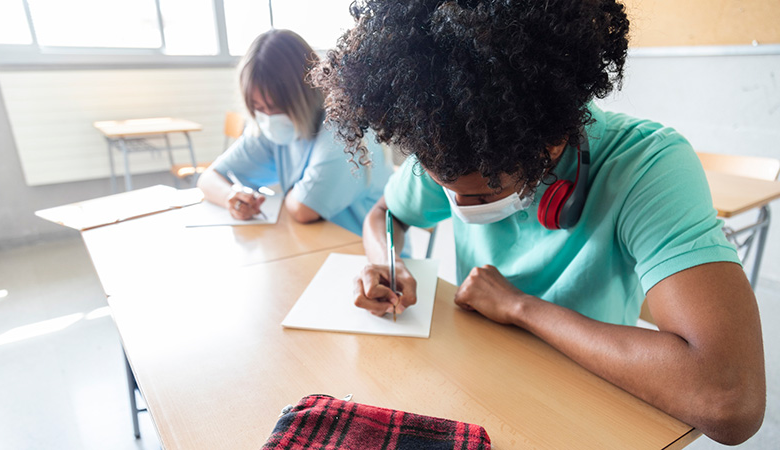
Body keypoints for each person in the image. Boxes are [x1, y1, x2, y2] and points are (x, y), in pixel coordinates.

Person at [310, 0, 765, 445]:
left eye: (486, 193)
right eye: (447, 187)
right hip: (474, 377)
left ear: (551, 141)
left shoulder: (646, 164)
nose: (462, 205)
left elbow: (730, 401)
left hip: (589, 396)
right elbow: (386, 215)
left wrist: (520, 307)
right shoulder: (448, 141)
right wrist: (384, 260)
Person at [197, 29, 393, 236]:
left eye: (275, 107)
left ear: (304, 95)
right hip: (314, 243)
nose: (268, 118)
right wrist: (232, 196)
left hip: (366, 253)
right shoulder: (269, 129)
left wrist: (288, 194)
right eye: (258, 108)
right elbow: (209, 178)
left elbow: (303, 210)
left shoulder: (343, 131)